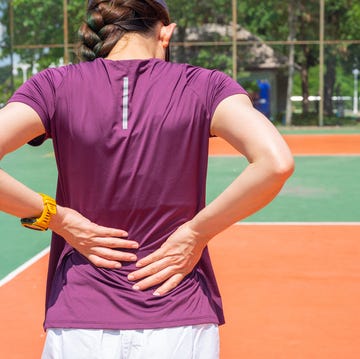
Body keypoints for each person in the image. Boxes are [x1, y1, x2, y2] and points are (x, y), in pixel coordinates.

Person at [0, 0, 294, 358]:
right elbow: (275, 163)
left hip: (81, 319)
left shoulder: (54, 85)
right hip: (180, 315)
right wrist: (196, 233)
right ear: (165, 31)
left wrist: (58, 218)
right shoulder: (204, 85)